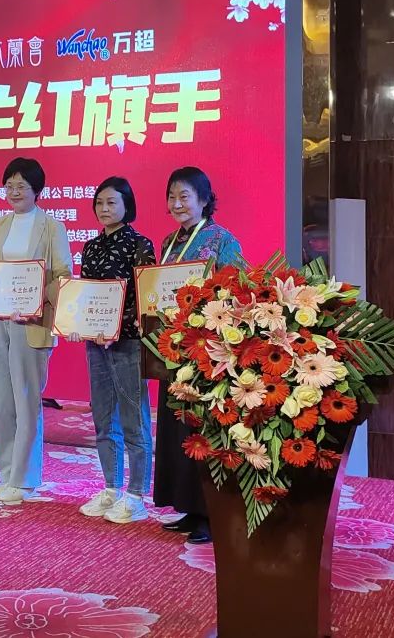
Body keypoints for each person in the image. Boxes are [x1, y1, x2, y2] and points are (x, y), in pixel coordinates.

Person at [152, 166, 243, 545]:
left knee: (206, 429)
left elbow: (238, 289)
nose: (177, 204)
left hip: (209, 349)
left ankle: (211, 514)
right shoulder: (169, 242)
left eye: (185, 196)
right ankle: (189, 506)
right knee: (179, 426)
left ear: (204, 199)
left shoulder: (222, 239)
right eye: (172, 197)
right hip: (174, 348)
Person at [0, 158, 72, 502]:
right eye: (9, 186)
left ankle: (25, 479)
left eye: (21, 186)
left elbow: (63, 276)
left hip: (30, 324)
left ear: (37, 190)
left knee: (26, 400)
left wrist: (33, 301)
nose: (14, 192)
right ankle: (6, 474)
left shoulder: (52, 227)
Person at [75, 176, 156, 523]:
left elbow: (144, 298)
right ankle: (110, 487)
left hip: (128, 343)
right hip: (96, 343)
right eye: (100, 203)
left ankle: (136, 494)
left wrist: (115, 329)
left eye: (112, 202)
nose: (104, 209)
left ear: (127, 206)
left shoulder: (140, 244)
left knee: (134, 417)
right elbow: (86, 294)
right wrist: (79, 323)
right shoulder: (91, 247)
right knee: (103, 417)